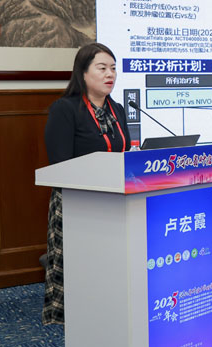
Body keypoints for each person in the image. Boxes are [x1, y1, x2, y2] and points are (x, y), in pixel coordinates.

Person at [42, 42, 131, 325]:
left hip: (115, 198)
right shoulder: (65, 109)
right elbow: (59, 164)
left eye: (113, 68)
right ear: (82, 73)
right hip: (76, 202)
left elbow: (123, 152)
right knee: (77, 267)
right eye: (102, 68)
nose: (110, 74)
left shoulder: (117, 109)